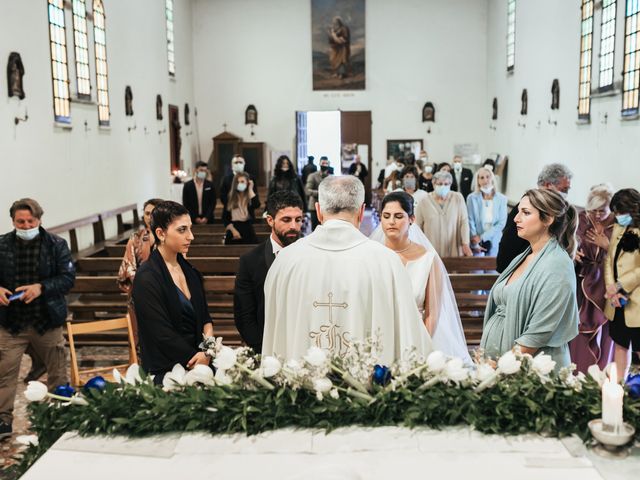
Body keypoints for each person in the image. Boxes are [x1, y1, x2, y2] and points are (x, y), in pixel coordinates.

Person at [262, 176, 432, 364]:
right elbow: (410, 339)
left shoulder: (286, 261)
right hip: (366, 389)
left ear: (318, 211)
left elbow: (273, 334)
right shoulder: (387, 262)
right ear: (361, 211)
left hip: (299, 386)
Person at [0, 199, 75, 438]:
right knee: (5, 373)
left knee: (58, 371)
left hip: (46, 320)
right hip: (11, 323)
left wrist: (41, 287)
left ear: (39, 220)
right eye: (20, 222)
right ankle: (3, 420)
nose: (25, 225)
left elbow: (67, 278)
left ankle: (60, 413)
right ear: (13, 221)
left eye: (30, 221)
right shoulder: (1, 245)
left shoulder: (56, 245)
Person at [480, 189, 579, 368]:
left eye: (525, 213)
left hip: (532, 366)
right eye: (519, 211)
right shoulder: (525, 255)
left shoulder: (557, 265)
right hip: (502, 359)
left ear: (548, 219)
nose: (516, 219)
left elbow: (539, 332)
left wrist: (501, 365)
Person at [370, 192, 470, 361]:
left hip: (419, 334)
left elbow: (433, 312)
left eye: (398, 216)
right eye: (386, 216)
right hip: (379, 335)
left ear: (411, 219)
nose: (391, 221)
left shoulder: (428, 259)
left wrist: (419, 347)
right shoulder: (371, 256)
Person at [131, 201, 213, 384]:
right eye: (182, 230)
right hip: (167, 371)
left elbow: (205, 318)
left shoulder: (191, 272)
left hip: (201, 364)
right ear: (161, 233)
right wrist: (196, 358)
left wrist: (208, 352)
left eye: (190, 229)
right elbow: (160, 333)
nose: (191, 236)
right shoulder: (147, 277)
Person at [234, 191, 304, 353]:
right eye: (286, 220)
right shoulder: (250, 261)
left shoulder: (311, 256)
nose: (293, 226)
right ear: (270, 220)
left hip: (302, 343)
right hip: (265, 344)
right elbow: (244, 314)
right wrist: (262, 349)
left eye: (298, 220)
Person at [569, 184, 615, 373]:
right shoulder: (580, 220)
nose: (597, 215)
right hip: (583, 283)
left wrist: (607, 245)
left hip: (606, 286)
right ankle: (577, 371)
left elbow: (629, 258)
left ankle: (602, 374)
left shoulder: (619, 225)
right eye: (593, 210)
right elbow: (567, 242)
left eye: (601, 211)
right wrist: (572, 252)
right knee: (579, 330)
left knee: (605, 333)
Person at [496, 163, 573, 272]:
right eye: (564, 189)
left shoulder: (565, 211)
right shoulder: (525, 206)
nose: (565, 194)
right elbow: (508, 245)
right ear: (548, 185)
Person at [603, 188, 640, 381]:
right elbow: (609, 260)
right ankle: (618, 387)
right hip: (617, 299)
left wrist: (621, 285)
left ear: (633, 209)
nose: (618, 217)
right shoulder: (618, 228)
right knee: (620, 344)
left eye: (620, 212)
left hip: (636, 300)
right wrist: (611, 287)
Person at [117, 198, 163, 343]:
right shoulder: (136, 238)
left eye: (154, 213)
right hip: (139, 294)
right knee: (140, 340)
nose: (150, 217)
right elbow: (128, 265)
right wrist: (144, 283)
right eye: (147, 213)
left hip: (163, 294)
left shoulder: (169, 237)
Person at [414, 171, 472, 257]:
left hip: (453, 247)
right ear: (434, 184)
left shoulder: (458, 198)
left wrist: (465, 243)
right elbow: (418, 226)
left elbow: (464, 222)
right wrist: (419, 246)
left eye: (446, 184)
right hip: (431, 247)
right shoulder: (424, 200)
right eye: (440, 184)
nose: (443, 186)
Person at [466, 167, 507, 256]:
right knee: (476, 269)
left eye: (488, 177)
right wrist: (475, 241)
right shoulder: (471, 198)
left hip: (494, 239)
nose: (485, 180)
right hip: (476, 241)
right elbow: (470, 220)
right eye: (482, 177)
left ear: (492, 178)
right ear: (478, 181)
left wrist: (482, 237)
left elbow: (501, 223)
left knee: (493, 268)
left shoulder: (502, 199)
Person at [223, 171, 261, 244]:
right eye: (238, 182)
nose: (240, 184)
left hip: (247, 226)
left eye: (242, 181)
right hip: (234, 227)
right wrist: (233, 231)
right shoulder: (230, 198)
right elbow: (225, 218)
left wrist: (250, 189)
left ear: (247, 183)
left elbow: (257, 205)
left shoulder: (250, 195)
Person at [305, 156, 332, 230]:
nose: (324, 165)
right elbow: (307, 190)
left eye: (326, 163)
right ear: (319, 163)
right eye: (323, 163)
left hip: (326, 206)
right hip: (314, 206)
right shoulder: (312, 176)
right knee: (315, 228)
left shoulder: (330, 177)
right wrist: (320, 193)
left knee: (326, 227)